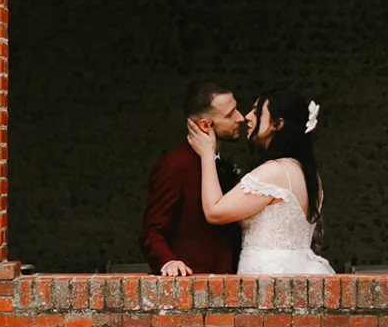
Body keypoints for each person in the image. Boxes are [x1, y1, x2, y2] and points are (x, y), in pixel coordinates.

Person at [187, 87, 334, 276]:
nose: (247, 117)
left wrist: (207, 154)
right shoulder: (308, 173)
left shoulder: (274, 172)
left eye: (257, 112)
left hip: (269, 274)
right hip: (300, 268)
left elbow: (215, 212)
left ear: (278, 124)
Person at [139, 80, 245, 276]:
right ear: (205, 125)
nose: (241, 118)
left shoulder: (225, 164)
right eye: (230, 115)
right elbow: (152, 232)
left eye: (236, 109)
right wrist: (168, 261)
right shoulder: (174, 166)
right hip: (193, 284)